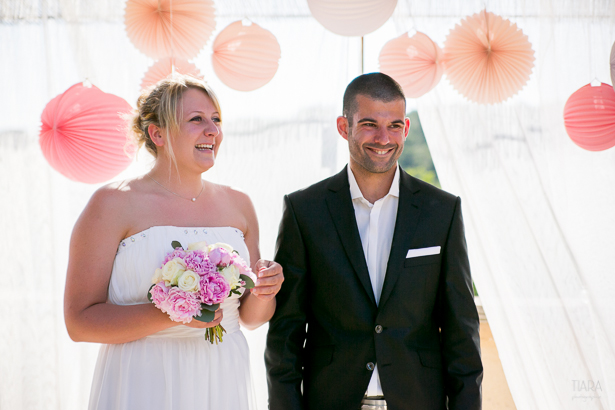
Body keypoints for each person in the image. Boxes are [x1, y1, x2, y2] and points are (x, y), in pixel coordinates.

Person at [63, 74, 284, 410]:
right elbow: (79, 322)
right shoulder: (111, 204)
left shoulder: (239, 205)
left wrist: (266, 290)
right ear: (158, 133)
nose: (213, 130)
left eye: (216, 119)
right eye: (197, 119)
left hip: (221, 378)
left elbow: (251, 317)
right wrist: (175, 314)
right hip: (144, 379)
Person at [266, 73, 482, 410]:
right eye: (369, 124)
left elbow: (461, 331)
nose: (384, 138)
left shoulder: (442, 210)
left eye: (394, 125)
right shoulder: (304, 210)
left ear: (406, 129)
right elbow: (285, 335)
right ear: (343, 127)